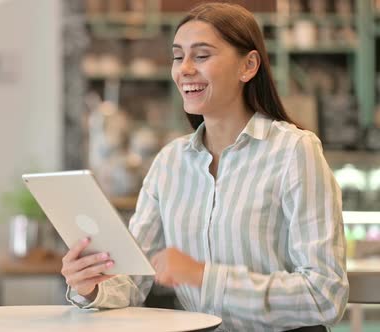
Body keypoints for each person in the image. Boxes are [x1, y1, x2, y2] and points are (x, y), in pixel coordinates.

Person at [60, 3, 349, 332]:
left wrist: (203, 276)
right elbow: (134, 282)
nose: (184, 69)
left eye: (201, 56)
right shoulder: (170, 163)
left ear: (248, 66)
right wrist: (91, 286)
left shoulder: (294, 151)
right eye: (177, 56)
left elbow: (325, 296)